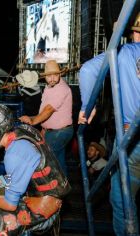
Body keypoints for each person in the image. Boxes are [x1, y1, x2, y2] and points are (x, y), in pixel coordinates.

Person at [0, 104, 71, 235]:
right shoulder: (21, 132)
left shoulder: (13, 155)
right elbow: (15, 178)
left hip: (42, 212)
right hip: (38, 195)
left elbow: (11, 205)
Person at [78, 13, 140, 235]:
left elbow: (86, 71)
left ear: (132, 32)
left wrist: (87, 106)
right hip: (123, 136)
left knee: (122, 201)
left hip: (132, 137)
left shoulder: (123, 53)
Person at [18, 60, 73, 175]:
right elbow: (45, 113)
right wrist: (35, 120)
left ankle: (50, 188)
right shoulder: (49, 88)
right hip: (54, 131)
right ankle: (63, 187)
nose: (52, 78)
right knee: (59, 161)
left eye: (55, 75)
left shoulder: (61, 89)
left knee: (44, 159)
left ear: (60, 74)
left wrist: (33, 121)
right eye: (49, 75)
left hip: (60, 132)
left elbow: (48, 110)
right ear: (45, 76)